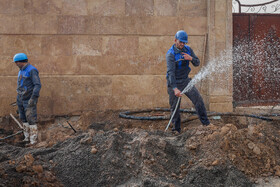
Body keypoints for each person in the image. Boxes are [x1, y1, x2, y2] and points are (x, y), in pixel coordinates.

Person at [166, 30, 210, 134]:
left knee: (198, 100)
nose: (182, 44)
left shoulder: (188, 50)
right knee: (175, 108)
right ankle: (176, 130)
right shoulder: (170, 54)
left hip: (185, 81)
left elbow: (197, 62)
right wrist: (175, 88)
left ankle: (207, 124)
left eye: (184, 42)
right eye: (180, 42)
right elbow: (170, 73)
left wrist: (190, 58)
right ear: (175, 40)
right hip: (174, 83)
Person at [13, 53, 41, 145]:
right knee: (23, 118)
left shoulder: (32, 70)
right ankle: (26, 138)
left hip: (29, 99)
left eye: (16, 62)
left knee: (31, 119)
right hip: (20, 98)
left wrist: (33, 98)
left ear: (20, 62)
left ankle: (33, 141)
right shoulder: (21, 70)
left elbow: (37, 85)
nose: (16, 64)